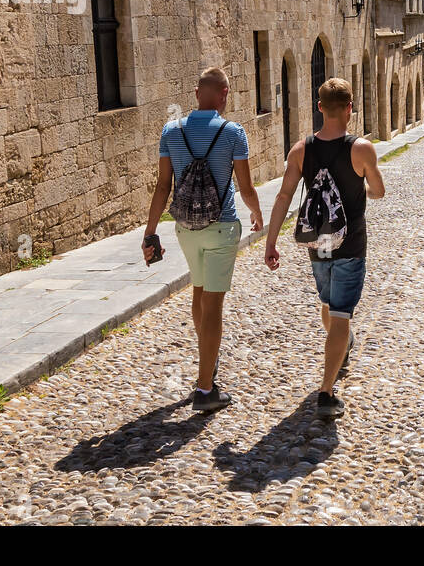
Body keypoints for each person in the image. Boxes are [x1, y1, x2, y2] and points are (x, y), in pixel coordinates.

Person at [264, 77, 385, 418]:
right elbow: (378, 190)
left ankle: (339, 346)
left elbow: (284, 196)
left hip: (318, 244)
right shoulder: (361, 149)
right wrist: (362, 189)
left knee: (328, 303)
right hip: (351, 244)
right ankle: (326, 392)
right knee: (341, 313)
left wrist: (271, 242)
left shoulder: (301, 150)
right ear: (349, 108)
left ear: (320, 107)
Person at [143, 67, 262, 413]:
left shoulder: (171, 130)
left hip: (186, 230)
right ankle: (205, 388)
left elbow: (162, 187)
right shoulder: (233, 133)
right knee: (213, 305)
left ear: (197, 93)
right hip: (221, 226)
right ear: (224, 94)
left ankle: (207, 360)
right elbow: (246, 187)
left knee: (199, 291)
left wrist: (150, 231)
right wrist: (257, 214)